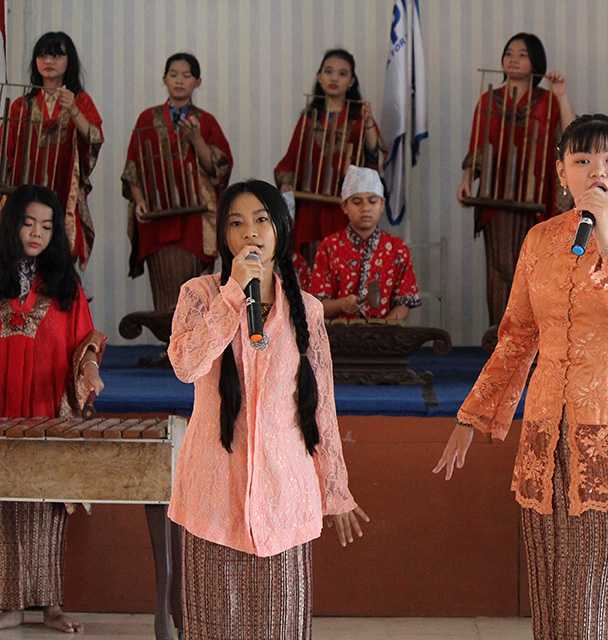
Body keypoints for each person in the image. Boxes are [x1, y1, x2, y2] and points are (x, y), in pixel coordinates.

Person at [436, 114, 608, 639]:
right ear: (560, 173)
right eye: (583, 160)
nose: (598, 172)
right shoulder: (541, 240)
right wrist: (471, 415)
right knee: (557, 593)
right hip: (549, 433)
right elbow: (519, 336)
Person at [167, 180, 368, 639]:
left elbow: (320, 409)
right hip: (212, 500)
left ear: (281, 228)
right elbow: (186, 365)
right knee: (213, 628)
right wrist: (234, 294)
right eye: (236, 224)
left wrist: (335, 490)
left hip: (285, 500)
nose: (250, 233)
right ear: (224, 238)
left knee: (281, 628)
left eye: (261, 220)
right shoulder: (199, 295)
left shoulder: (309, 310)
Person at [0, 185, 105, 634]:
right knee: (4, 506)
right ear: (12, 225)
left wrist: (91, 369)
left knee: (47, 508)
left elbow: (86, 341)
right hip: (2, 410)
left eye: (46, 226)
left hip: (47, 410)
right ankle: (8, 603)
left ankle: (50, 606)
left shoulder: (66, 284)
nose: (37, 233)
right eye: (28, 223)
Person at [457, 32, 575, 326]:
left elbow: (572, 136)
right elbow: (478, 145)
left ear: (535, 61)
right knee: (499, 268)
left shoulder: (547, 100)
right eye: (509, 52)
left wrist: (560, 93)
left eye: (522, 54)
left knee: (533, 268)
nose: (513, 58)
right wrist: (467, 178)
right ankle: (499, 336)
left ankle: (531, 338)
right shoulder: (489, 99)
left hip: (536, 195)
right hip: (495, 194)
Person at [123, 52, 233, 313]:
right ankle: (169, 346)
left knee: (197, 293)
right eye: (173, 75)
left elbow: (220, 170)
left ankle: (196, 349)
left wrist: (196, 140)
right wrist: (139, 201)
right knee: (165, 294)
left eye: (187, 75)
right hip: (157, 213)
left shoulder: (205, 122)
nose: (179, 81)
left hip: (196, 215)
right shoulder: (147, 119)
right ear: (164, 79)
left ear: (198, 82)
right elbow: (132, 167)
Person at [3, 32, 103, 269]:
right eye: (43, 54)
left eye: (57, 55)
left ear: (70, 61)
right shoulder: (22, 105)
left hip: (63, 187)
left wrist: (74, 111)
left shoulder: (80, 100)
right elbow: (7, 152)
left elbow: (95, 138)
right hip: (25, 188)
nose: (49, 61)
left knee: (61, 257)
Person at [275, 49, 384, 263]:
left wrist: (369, 122)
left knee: (343, 261)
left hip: (344, 207)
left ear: (351, 82)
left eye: (342, 74)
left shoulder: (358, 118)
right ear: (319, 77)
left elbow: (373, 156)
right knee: (310, 263)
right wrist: (286, 185)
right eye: (329, 71)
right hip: (310, 204)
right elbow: (290, 160)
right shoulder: (309, 118)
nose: (334, 78)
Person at [301, 165, 421, 321]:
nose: (365, 208)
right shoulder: (329, 247)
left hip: (385, 338)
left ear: (382, 205)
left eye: (372, 201)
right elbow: (316, 305)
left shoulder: (398, 249)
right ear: (344, 206)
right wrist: (341, 304)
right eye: (357, 202)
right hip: (339, 338)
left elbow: (404, 303)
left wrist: (383, 328)